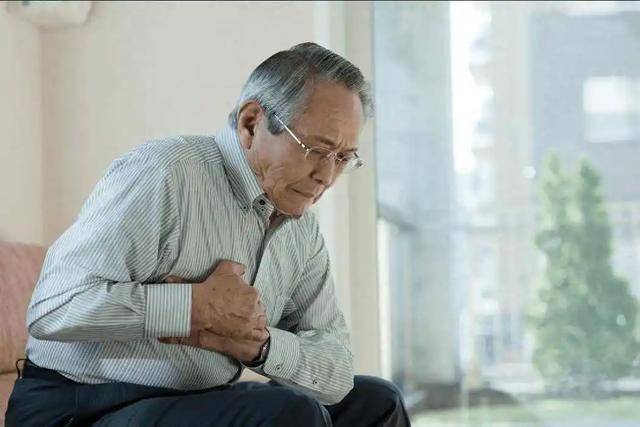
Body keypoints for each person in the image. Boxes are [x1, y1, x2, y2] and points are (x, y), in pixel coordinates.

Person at [5, 42, 410, 427]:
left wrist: (259, 345)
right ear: (252, 123)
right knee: (291, 415)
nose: (326, 175)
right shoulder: (164, 173)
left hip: (193, 400)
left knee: (377, 402)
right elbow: (53, 309)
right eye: (316, 150)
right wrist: (192, 307)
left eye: (343, 158)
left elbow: (336, 372)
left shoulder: (301, 226)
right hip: (80, 405)